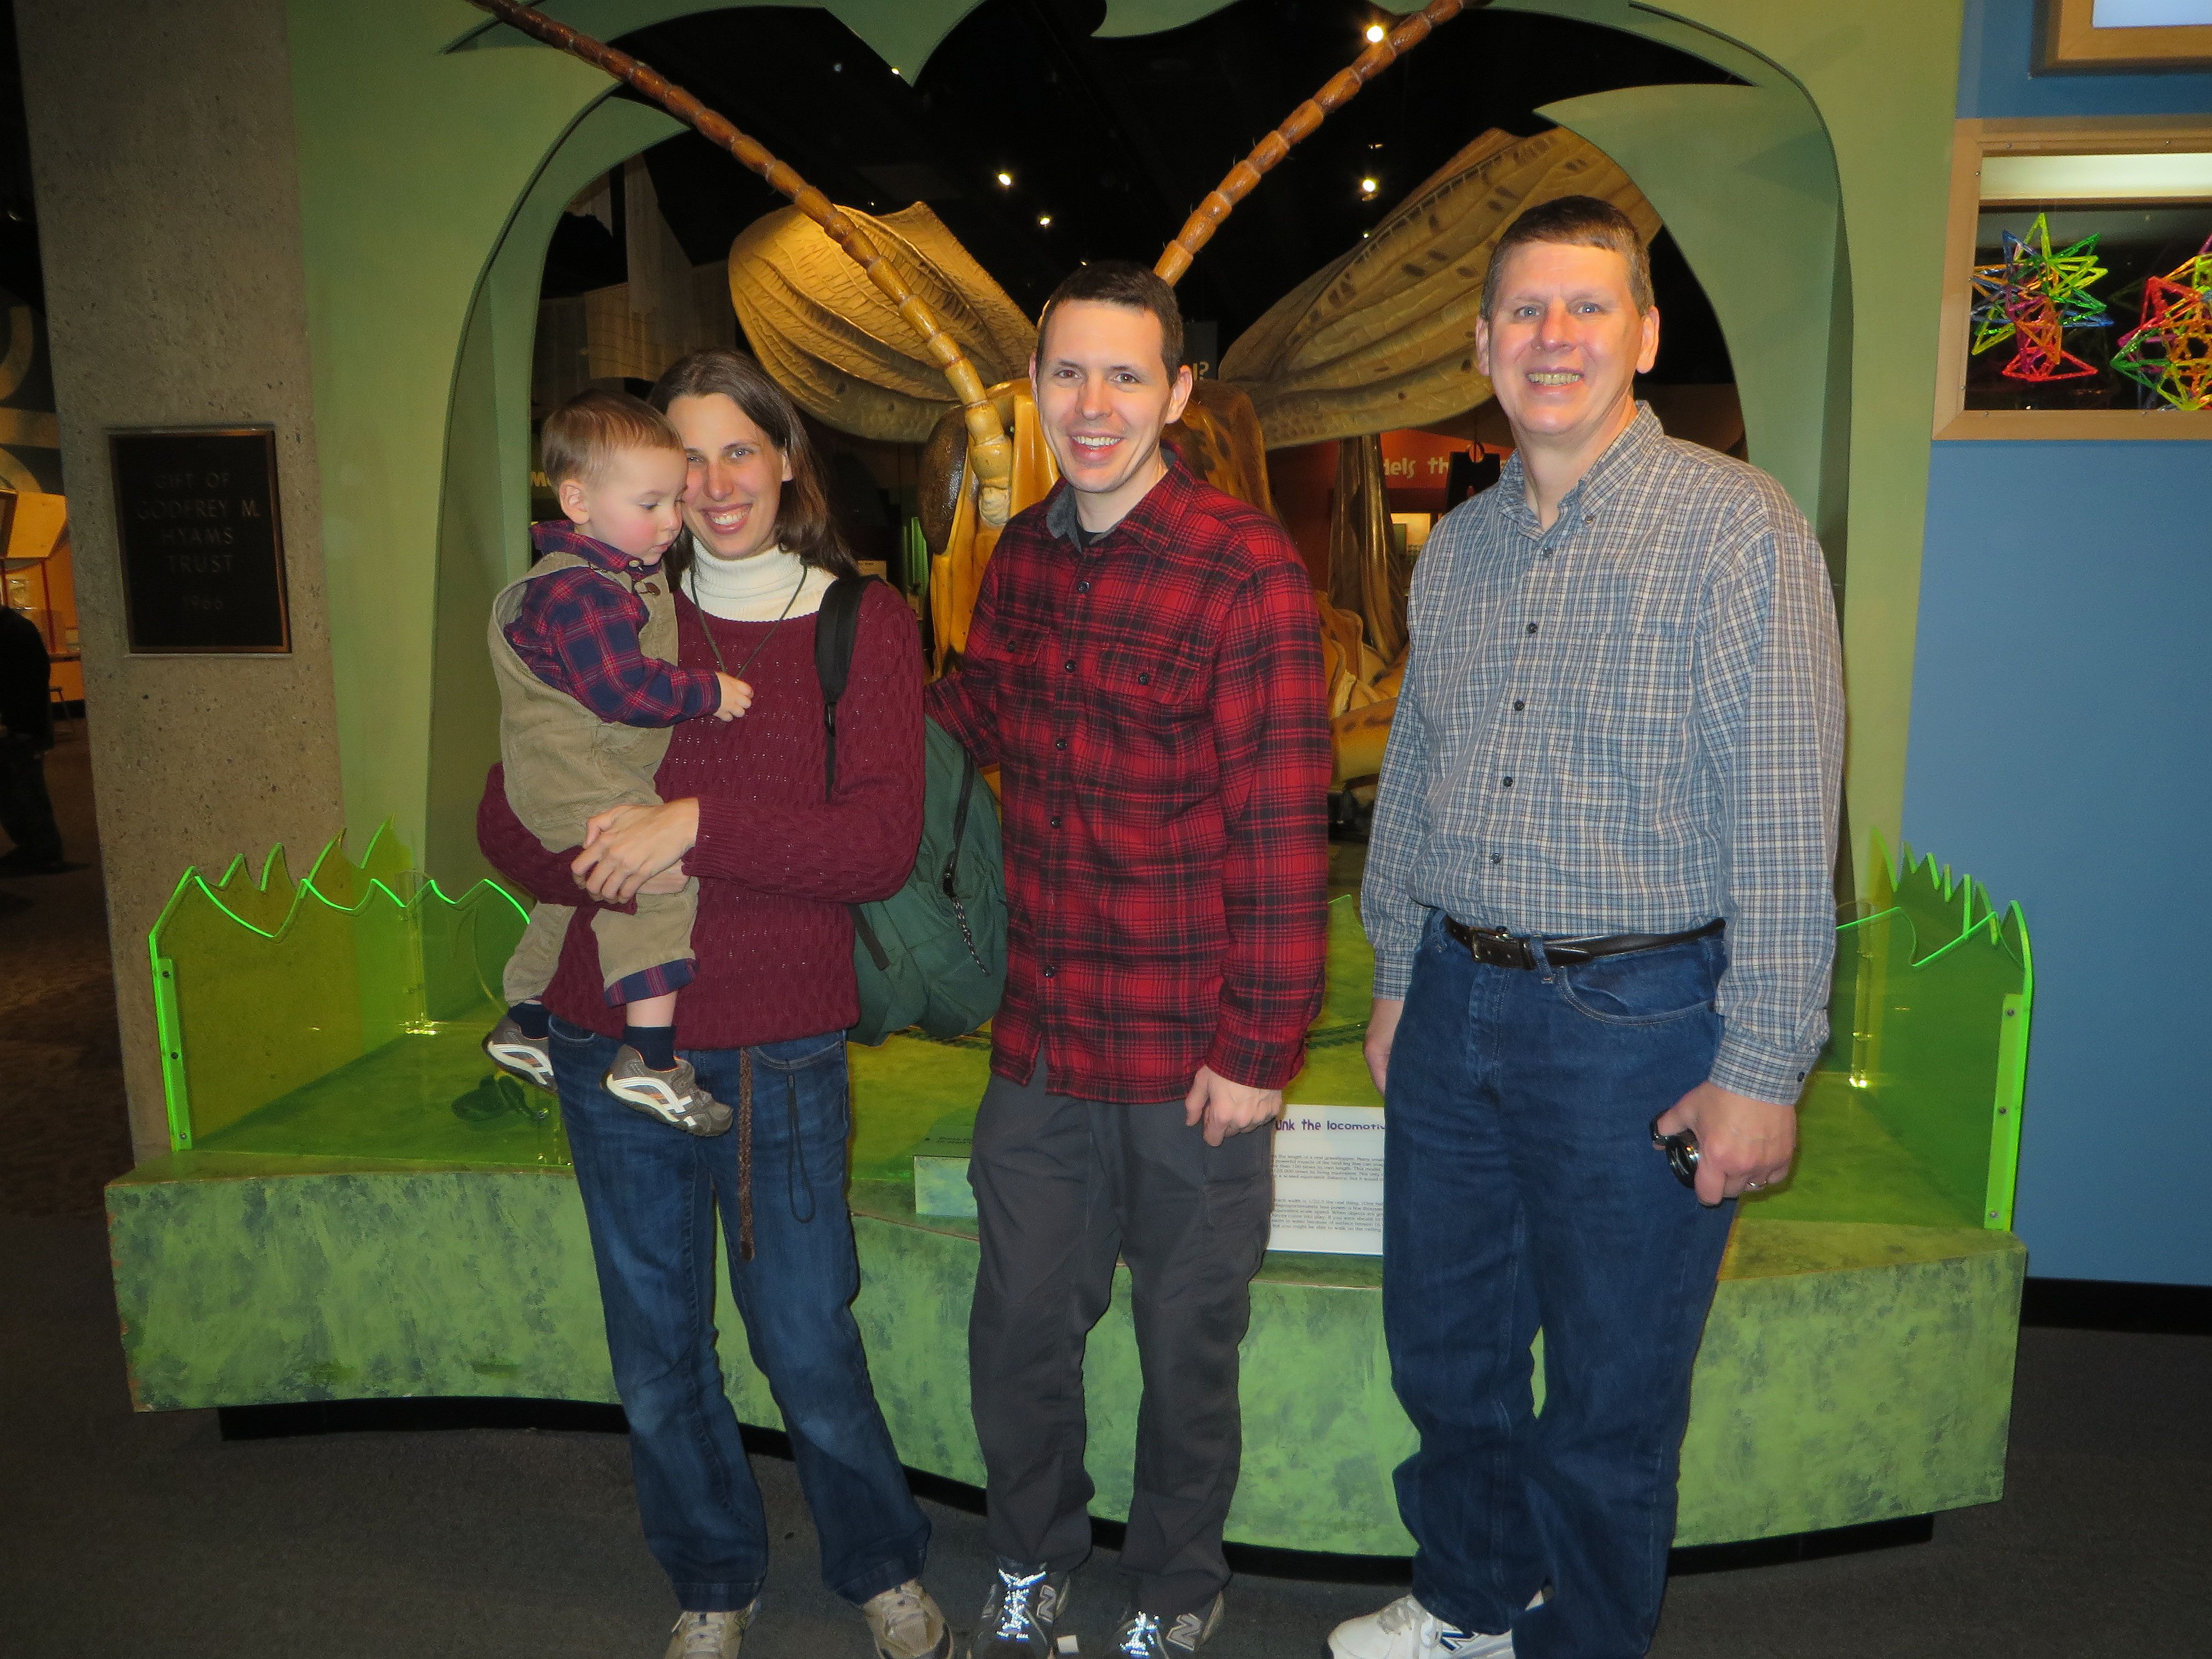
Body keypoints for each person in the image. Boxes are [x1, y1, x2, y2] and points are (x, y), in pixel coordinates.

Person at [1329, 197, 1844, 1659]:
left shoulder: (1738, 529)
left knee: (1612, 1395)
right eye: (1525, 310)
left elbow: (1787, 809)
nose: (1552, 336)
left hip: (1640, 1028)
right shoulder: (1458, 549)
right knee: (1448, 1354)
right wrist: (1396, 977)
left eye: (1587, 306)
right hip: (1453, 1002)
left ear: (1645, 334)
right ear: (1483, 339)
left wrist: (1763, 1067)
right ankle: (1469, 1603)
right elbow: (1417, 776)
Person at [476, 349, 952, 1659]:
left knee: (804, 1335)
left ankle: (880, 1566)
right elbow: (505, 818)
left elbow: (876, 849)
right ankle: (709, 1574)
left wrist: (690, 825)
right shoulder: (601, 606)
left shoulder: (859, 620)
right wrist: (601, 856)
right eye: (682, 459)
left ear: (787, 458)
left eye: (740, 448)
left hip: (780, 1044)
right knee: (655, 1346)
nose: (713, 481)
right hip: (607, 1035)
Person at [926, 262, 1331, 1659]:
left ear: (1175, 391)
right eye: (1067, 373)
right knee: (1017, 1331)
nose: (1091, 405)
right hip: (1043, 1038)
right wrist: (824, 694)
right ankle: (1029, 1561)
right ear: (1034, 388)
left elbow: (1280, 828)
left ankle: (1171, 1586)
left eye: (1122, 374)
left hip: (1188, 1053)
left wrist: (1255, 1050)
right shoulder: (1024, 556)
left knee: (1185, 1346)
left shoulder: (1242, 567)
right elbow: (975, 710)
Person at [482, 388, 753, 1134]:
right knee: (656, 879)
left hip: (565, 773)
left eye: (676, 502)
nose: (671, 523)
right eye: (650, 504)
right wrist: (706, 692)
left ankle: (526, 1019)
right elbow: (620, 690)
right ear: (577, 500)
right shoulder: (584, 594)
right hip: (580, 771)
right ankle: (650, 1057)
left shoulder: (593, 576)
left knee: (583, 886)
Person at [0, 602, 65, 876]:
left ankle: (44, 851)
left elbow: (29, 682)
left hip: (21, 727)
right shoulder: (15, 629)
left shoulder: (15, 631)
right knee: (14, 791)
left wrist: (13, 721)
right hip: (20, 725)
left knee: (26, 791)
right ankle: (33, 848)